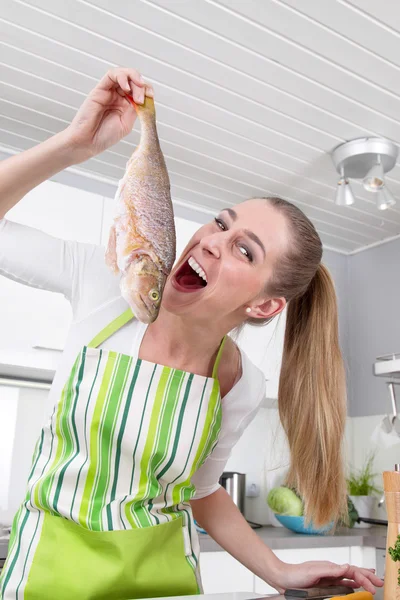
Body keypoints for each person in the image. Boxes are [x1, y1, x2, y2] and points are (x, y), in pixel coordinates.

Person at [0, 68, 382, 599]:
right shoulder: (105, 285)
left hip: (161, 582)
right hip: (46, 574)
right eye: (221, 224)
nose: (211, 241)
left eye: (244, 250)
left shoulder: (239, 383)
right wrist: (72, 146)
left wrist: (279, 572)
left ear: (265, 304)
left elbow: (202, 492)